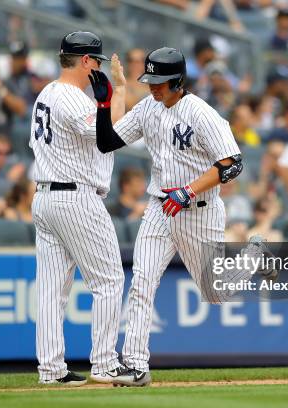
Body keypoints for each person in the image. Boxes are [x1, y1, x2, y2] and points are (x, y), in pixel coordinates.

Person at [91, 47, 244, 386]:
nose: (153, 87)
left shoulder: (201, 113)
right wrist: (110, 97)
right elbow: (108, 141)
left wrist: (188, 190)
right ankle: (136, 365)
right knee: (142, 283)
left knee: (216, 293)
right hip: (160, 207)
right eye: (149, 81)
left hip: (198, 211)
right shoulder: (148, 107)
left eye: (159, 82)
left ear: (177, 80)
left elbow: (232, 163)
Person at [29, 31, 133, 387]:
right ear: (86, 61)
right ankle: (105, 364)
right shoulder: (71, 98)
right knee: (108, 280)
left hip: (46, 197)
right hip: (75, 197)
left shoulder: (47, 93)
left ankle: (51, 370)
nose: (99, 69)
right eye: (97, 62)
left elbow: (104, 129)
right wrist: (118, 92)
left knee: (51, 290)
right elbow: (106, 135)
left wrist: (115, 95)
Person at [6, 41, 32, 105]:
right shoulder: (6, 80)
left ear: (25, 59)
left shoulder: (33, 79)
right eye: (14, 58)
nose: (15, 62)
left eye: (19, 58)